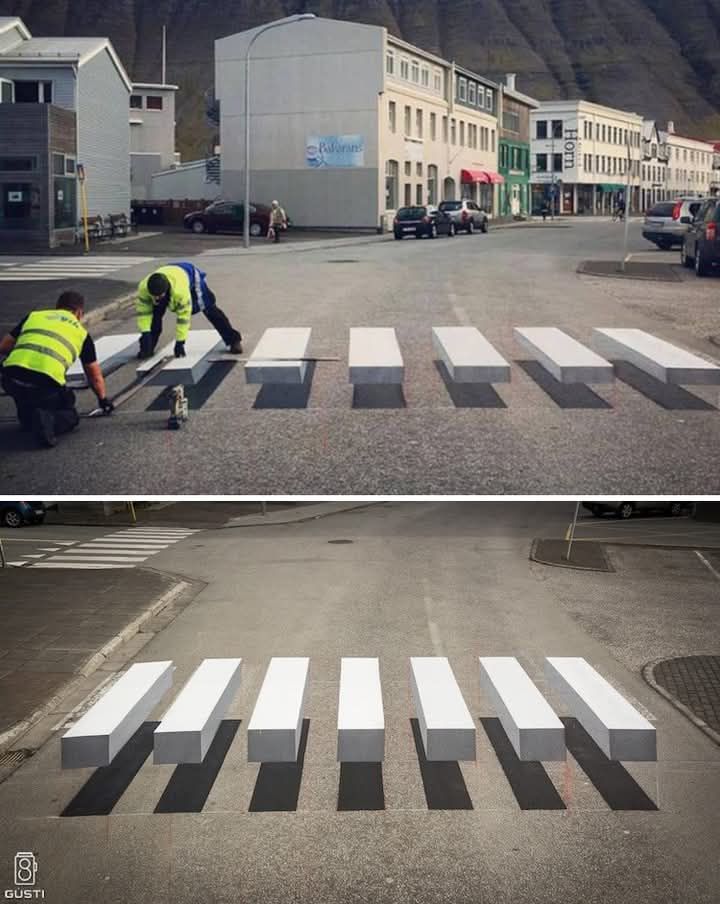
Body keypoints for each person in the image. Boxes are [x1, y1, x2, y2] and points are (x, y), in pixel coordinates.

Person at [0, 291, 113, 448]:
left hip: (11, 379)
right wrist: (103, 400)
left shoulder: (34, 316)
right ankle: (49, 422)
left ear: (57, 307)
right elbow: (93, 375)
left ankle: (28, 418)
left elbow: (4, 346)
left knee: (26, 402)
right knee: (70, 412)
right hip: (45, 386)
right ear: (79, 312)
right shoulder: (81, 334)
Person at [136, 261, 242, 359]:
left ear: (166, 290)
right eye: (154, 296)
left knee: (209, 308)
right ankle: (148, 347)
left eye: (159, 296)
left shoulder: (180, 291)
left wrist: (180, 342)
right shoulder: (144, 289)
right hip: (169, 272)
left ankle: (233, 340)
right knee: (155, 316)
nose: (157, 299)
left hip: (190, 275)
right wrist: (145, 333)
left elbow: (183, 318)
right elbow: (143, 313)